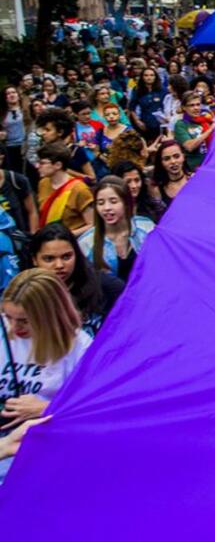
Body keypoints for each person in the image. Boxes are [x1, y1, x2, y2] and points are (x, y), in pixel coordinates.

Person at [0, 269, 91, 447]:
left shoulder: (81, 348)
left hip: (47, 442)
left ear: (49, 316)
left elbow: (92, 411)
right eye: (8, 316)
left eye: (24, 320)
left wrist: (45, 408)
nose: (14, 326)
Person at [30, 223, 123, 337]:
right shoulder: (30, 296)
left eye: (66, 257)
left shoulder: (105, 286)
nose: (59, 265)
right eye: (49, 259)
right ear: (34, 260)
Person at [78, 176, 155, 282]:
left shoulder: (147, 227)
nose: (106, 208)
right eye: (100, 203)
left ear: (126, 203)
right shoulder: (85, 243)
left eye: (113, 201)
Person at [36, 143, 94, 235]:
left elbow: (92, 224)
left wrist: (69, 235)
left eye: (42, 163)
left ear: (58, 165)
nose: (37, 166)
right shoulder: (43, 184)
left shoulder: (80, 189)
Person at [35, 109, 96, 182]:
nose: (43, 133)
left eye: (48, 130)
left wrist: (64, 170)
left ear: (60, 132)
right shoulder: (44, 151)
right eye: (43, 129)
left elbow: (92, 179)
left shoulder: (75, 151)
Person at [173, 91, 215, 171]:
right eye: (191, 105)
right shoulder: (181, 125)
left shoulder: (206, 120)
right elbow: (190, 146)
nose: (196, 108)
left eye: (198, 104)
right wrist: (210, 130)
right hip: (195, 169)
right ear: (184, 107)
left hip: (213, 165)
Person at [0, 149, 36, 234]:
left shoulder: (17, 181)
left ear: (1, 158)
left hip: (17, 239)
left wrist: (33, 236)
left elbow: (32, 211)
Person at [127, 67, 167, 143]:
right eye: (146, 75)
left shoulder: (163, 90)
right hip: (145, 123)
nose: (149, 77)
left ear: (156, 77)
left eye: (152, 75)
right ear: (142, 77)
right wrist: (137, 121)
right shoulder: (137, 89)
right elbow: (132, 107)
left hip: (161, 124)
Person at [152, 140, 193, 208]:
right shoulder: (158, 190)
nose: (173, 161)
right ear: (161, 163)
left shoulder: (195, 179)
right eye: (167, 159)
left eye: (176, 156)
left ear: (183, 156)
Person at [1, 85, 27, 175]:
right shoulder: (1, 113)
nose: (11, 95)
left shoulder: (27, 109)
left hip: (26, 146)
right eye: (8, 93)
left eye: (13, 92)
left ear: (18, 95)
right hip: (9, 147)